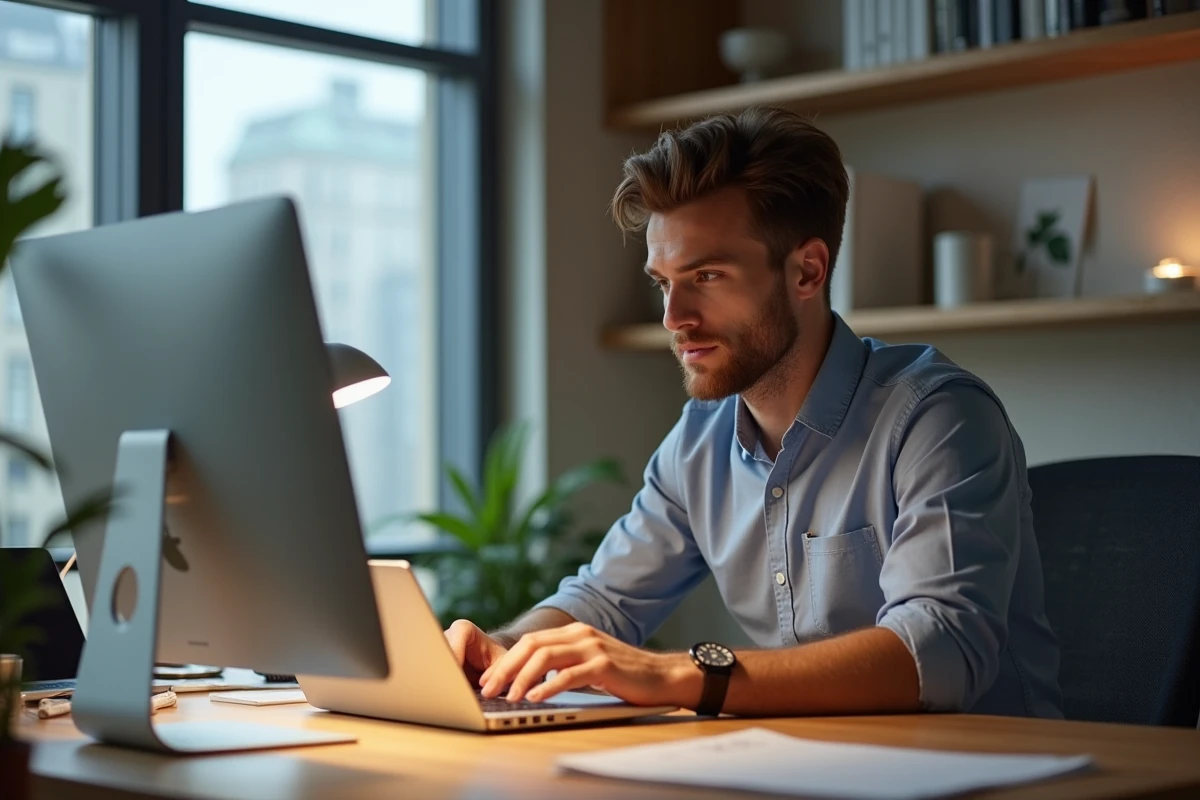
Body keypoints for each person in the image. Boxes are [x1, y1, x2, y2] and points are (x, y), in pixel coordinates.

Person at [446, 106, 1062, 719]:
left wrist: (683, 673)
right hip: (809, 771)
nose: (673, 318)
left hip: (987, 772)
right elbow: (603, 598)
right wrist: (503, 648)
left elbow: (941, 650)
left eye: (707, 275)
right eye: (664, 282)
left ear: (807, 270)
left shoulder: (938, 418)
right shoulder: (699, 442)